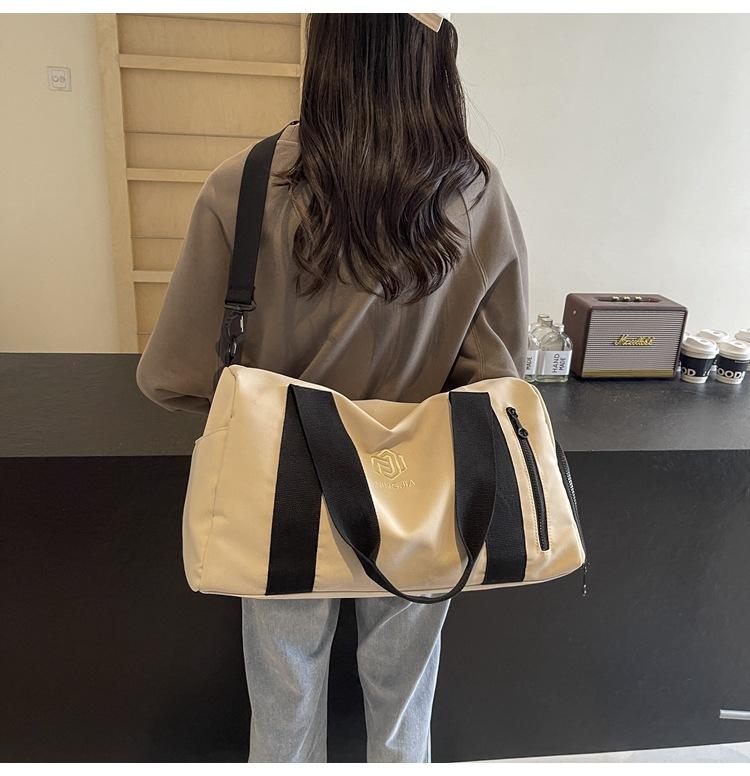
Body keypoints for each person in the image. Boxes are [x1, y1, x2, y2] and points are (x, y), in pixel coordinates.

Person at [135, 12, 528, 764]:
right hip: (422, 493)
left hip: (279, 486)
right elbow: (498, 372)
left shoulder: (246, 183)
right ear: (434, 60)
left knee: (283, 708)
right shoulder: (474, 193)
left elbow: (171, 376)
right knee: (404, 708)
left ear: (328, 48)